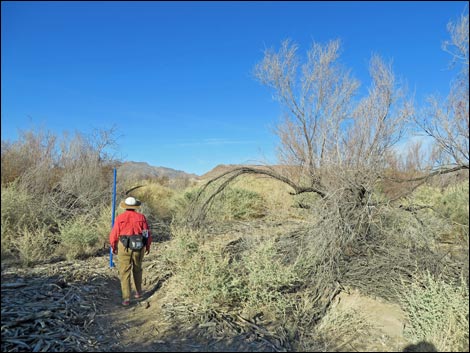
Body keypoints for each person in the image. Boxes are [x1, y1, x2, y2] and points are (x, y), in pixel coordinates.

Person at [109, 196, 152, 306]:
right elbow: (146, 233)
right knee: (137, 269)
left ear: (125, 207)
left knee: (124, 271)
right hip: (139, 245)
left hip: (124, 247)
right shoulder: (141, 217)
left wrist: (113, 246)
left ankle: (126, 298)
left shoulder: (120, 218)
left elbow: (114, 234)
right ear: (135, 207)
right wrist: (147, 245)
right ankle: (138, 292)